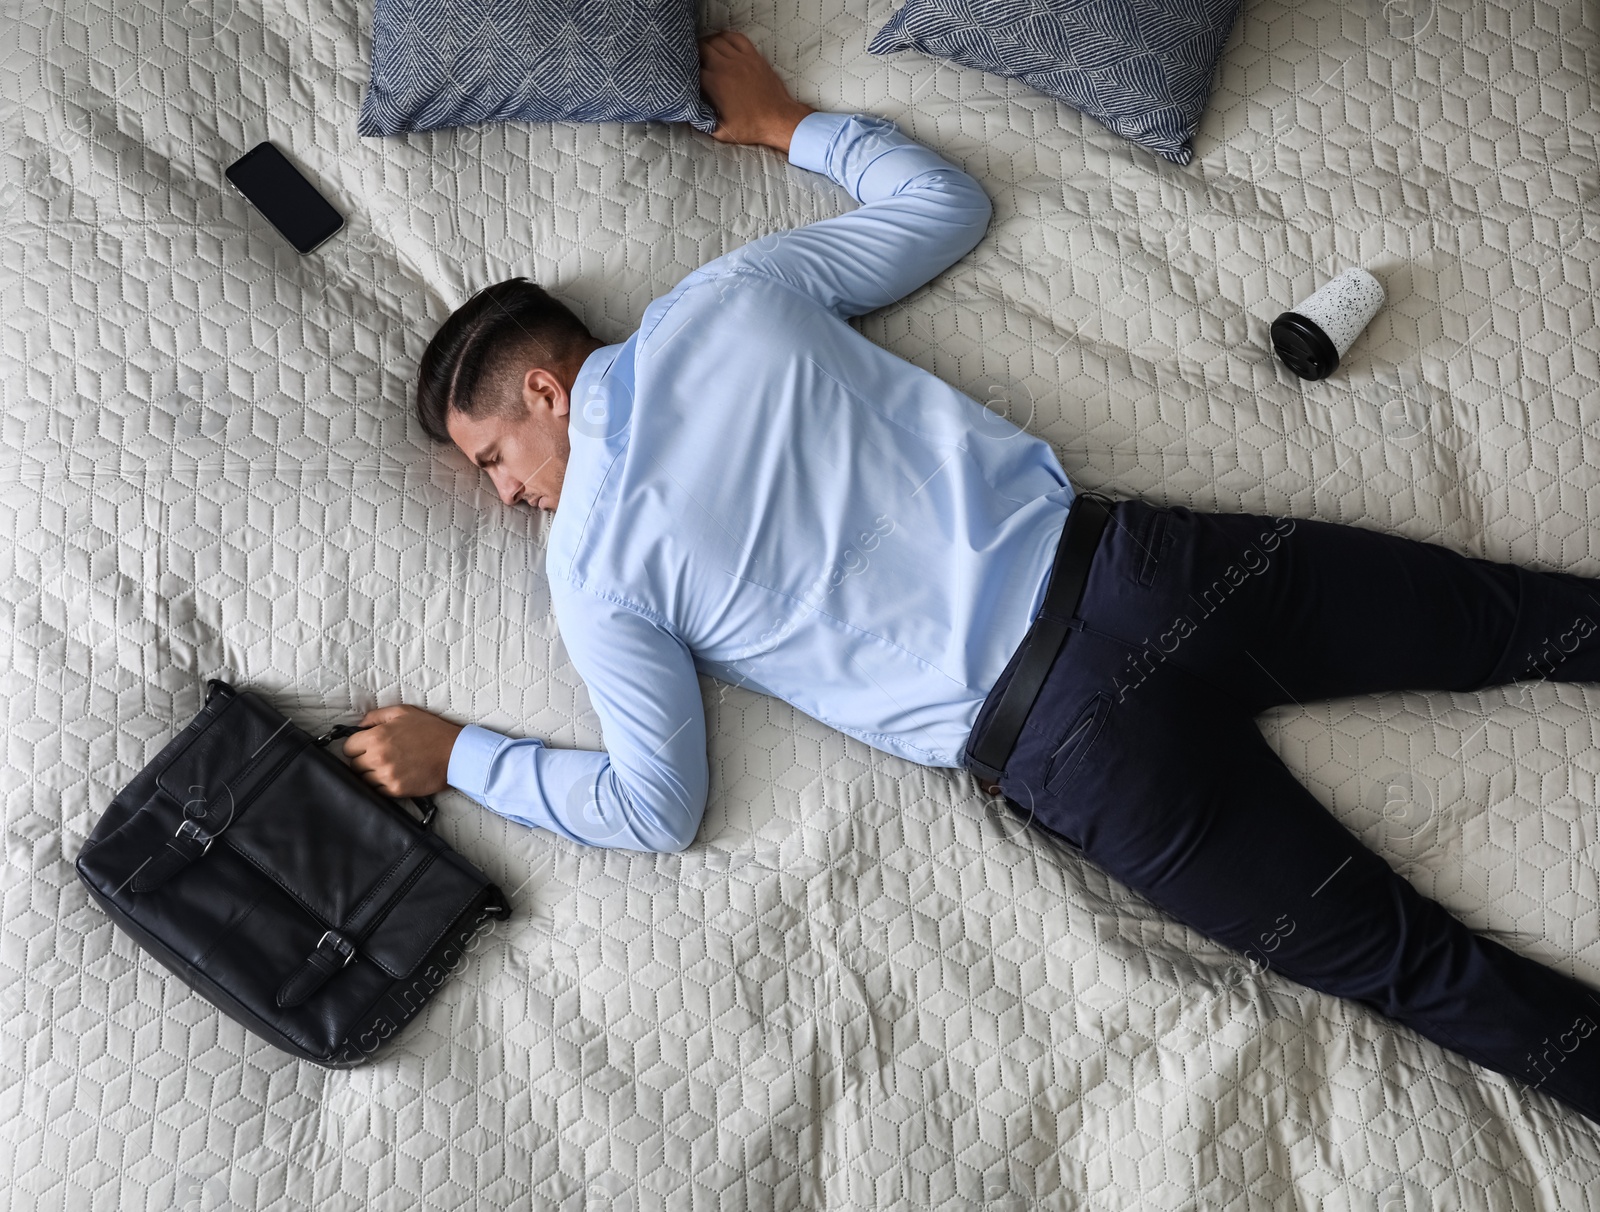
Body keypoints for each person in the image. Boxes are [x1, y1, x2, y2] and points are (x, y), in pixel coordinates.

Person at [343, 31, 1600, 1123]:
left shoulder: (594, 569)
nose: (506, 496)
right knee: (1517, 622)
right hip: (1142, 572)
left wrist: (462, 758)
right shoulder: (728, 299)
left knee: (1414, 970)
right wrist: (790, 124)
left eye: (495, 454)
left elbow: (656, 808)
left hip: (1076, 753)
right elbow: (945, 207)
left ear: (544, 389)